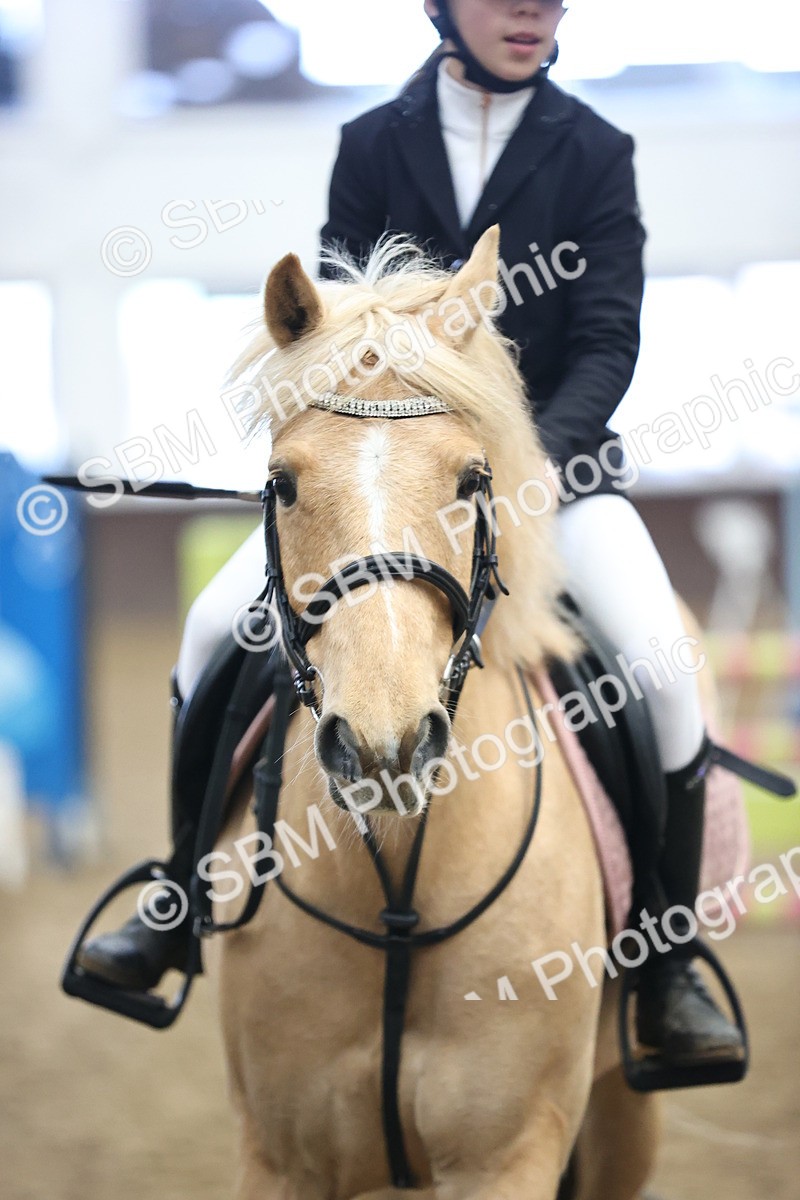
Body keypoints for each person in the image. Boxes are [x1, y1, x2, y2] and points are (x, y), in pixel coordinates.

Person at [77, 0, 743, 1068]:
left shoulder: (594, 152)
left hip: (555, 477)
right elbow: (336, 323)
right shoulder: (371, 145)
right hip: (379, 487)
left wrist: (523, 466)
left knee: (660, 669)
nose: (532, 12)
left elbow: (607, 337)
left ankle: (664, 968)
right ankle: (174, 895)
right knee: (208, 630)